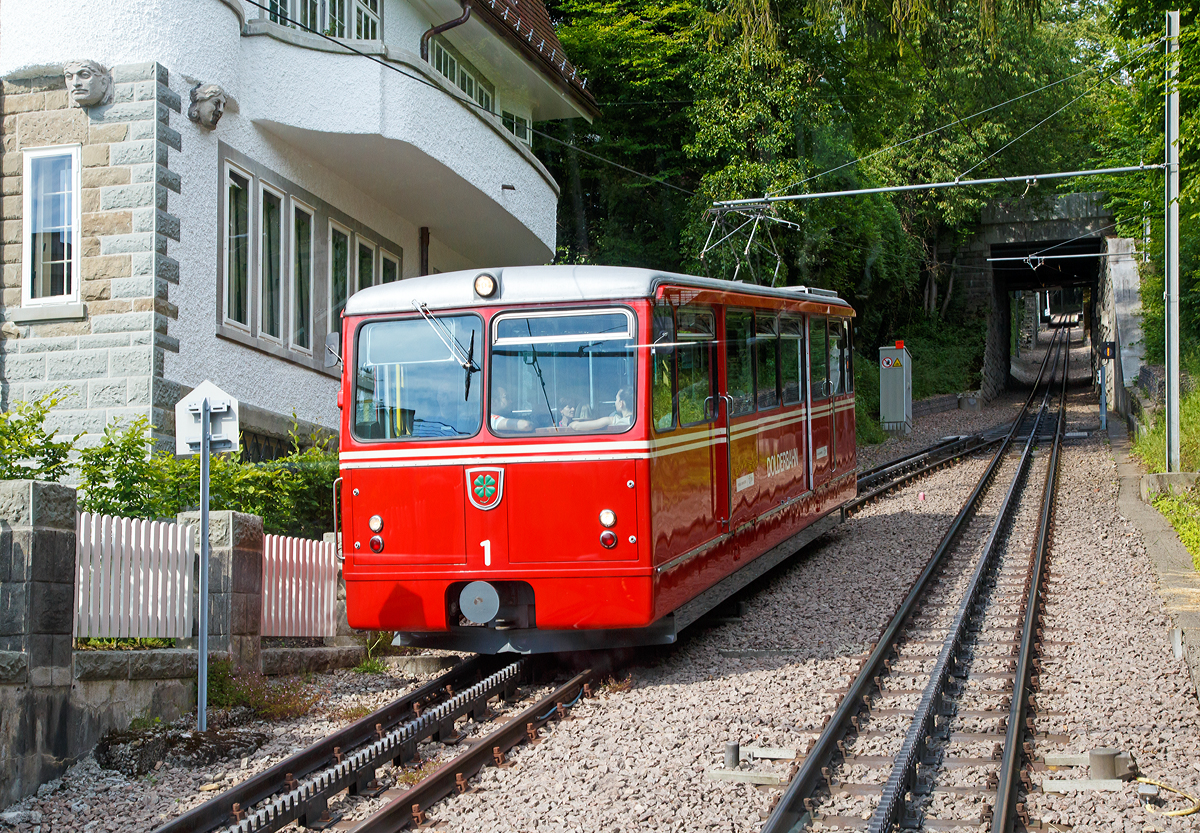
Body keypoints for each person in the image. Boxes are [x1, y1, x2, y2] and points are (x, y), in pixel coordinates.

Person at [569, 387, 634, 432]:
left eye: (616, 399)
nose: (615, 402)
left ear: (621, 403)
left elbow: (577, 426)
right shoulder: (635, 421)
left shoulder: (614, 420)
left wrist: (571, 424)